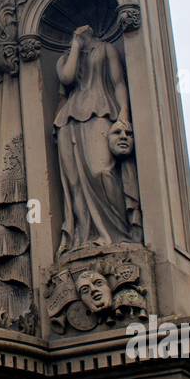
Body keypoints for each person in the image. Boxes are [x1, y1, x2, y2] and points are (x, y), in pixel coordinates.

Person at [54, 24, 142, 254]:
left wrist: (124, 114)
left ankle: (117, 233)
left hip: (102, 112)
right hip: (69, 121)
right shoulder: (65, 58)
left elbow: (119, 83)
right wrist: (75, 44)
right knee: (75, 184)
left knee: (101, 171)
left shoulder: (106, 49)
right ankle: (83, 238)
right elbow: (67, 78)